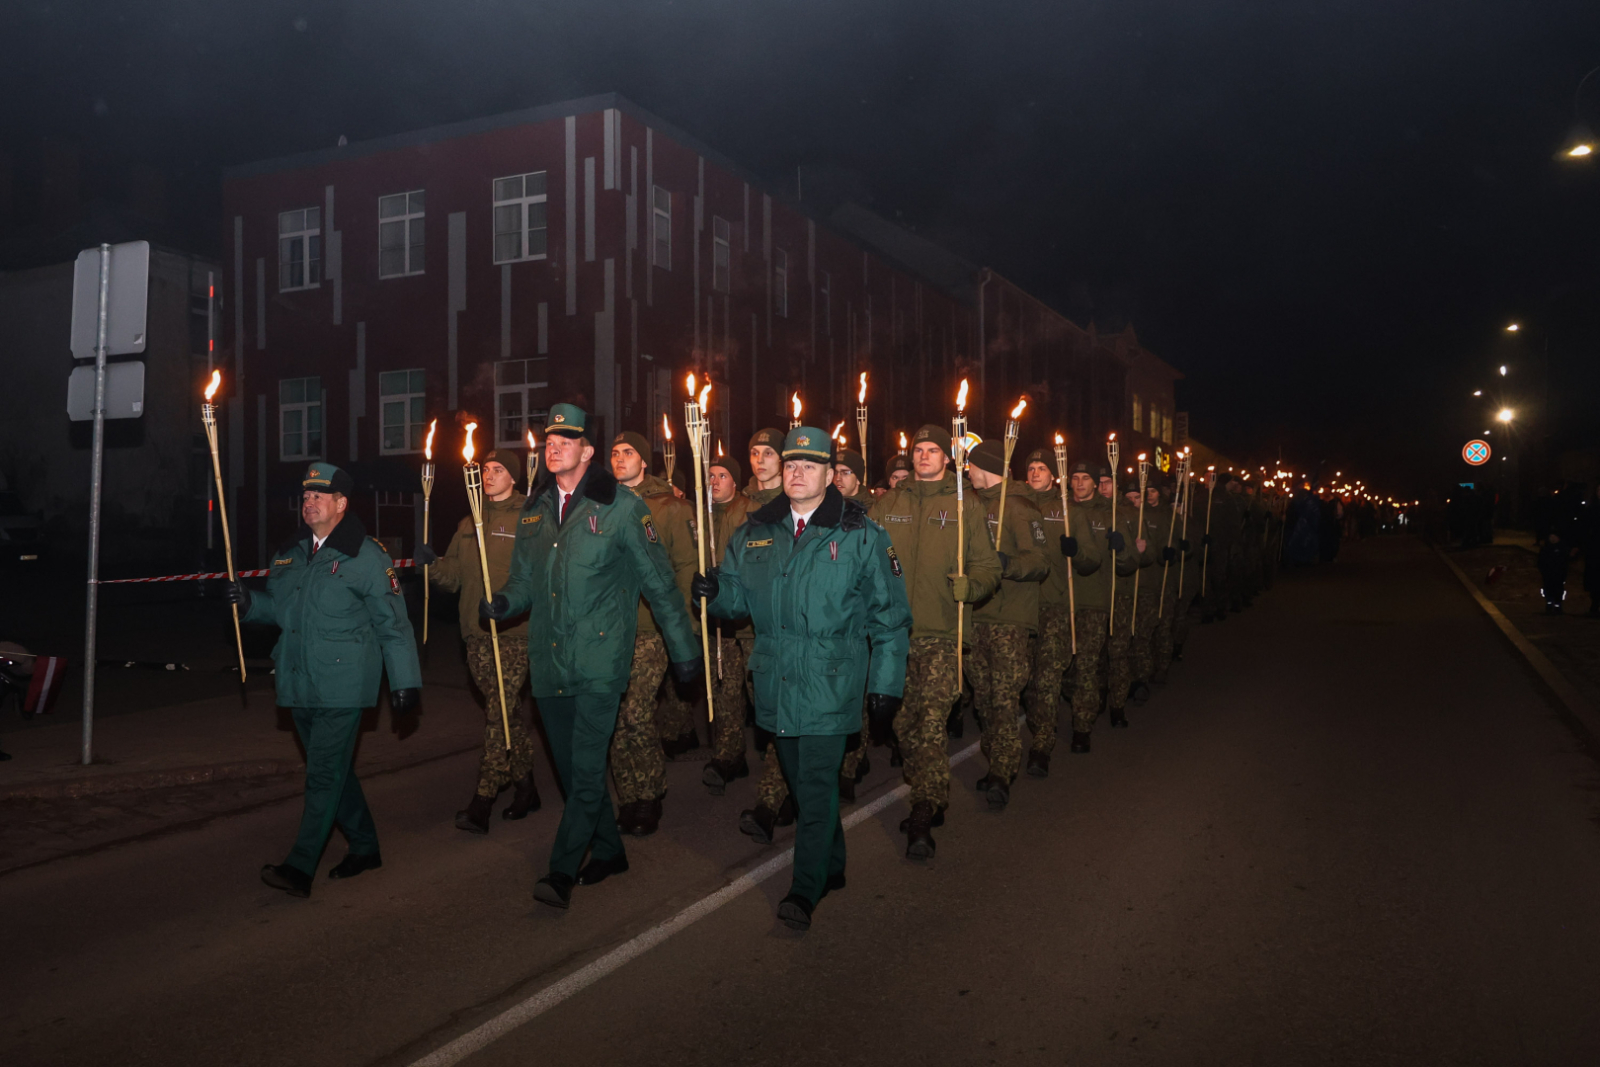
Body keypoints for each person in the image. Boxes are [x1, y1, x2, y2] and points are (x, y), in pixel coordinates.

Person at [484, 404, 701, 909]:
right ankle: (609, 849)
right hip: (549, 661)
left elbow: (660, 584)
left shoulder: (622, 508)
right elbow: (523, 581)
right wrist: (503, 602)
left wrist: (685, 650)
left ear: (586, 450)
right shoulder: (535, 509)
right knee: (572, 771)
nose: (552, 444)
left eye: (565, 437)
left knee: (584, 772)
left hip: (601, 660)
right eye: (548, 438)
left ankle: (561, 871)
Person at [694, 426, 910, 930]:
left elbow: (890, 617)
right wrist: (710, 591)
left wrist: (886, 683)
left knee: (814, 785)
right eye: (790, 464)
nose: (795, 472)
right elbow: (735, 599)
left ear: (830, 474)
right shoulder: (755, 530)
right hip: (774, 680)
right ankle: (832, 864)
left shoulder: (860, 533)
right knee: (799, 780)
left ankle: (804, 887)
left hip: (831, 682)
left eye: (808, 466)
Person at [229, 462, 422, 898]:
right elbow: (283, 613)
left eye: (319, 496)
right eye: (305, 497)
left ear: (341, 504)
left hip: (345, 682)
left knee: (321, 774)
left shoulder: (366, 555)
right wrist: (248, 604)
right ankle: (366, 846)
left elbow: (394, 623)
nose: (309, 503)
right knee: (334, 772)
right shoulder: (290, 552)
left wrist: (405, 681)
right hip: (298, 679)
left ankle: (300, 867)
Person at [868, 425, 1001, 858]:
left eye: (933, 451)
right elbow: (864, 563)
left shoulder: (966, 505)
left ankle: (924, 808)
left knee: (929, 723)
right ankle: (931, 791)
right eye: (918, 450)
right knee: (904, 725)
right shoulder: (886, 504)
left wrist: (973, 585)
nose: (924, 456)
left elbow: (987, 566)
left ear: (948, 458)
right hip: (891, 638)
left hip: (943, 633)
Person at [415, 449, 539, 834]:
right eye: (485, 469)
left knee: (497, 713)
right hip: (475, 632)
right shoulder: (470, 520)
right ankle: (526, 786)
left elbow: (538, 577)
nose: (489, 475)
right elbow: (454, 578)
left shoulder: (529, 517)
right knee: (506, 715)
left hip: (515, 632)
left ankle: (482, 800)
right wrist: (433, 565)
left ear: (514, 477)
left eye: (498, 469)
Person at [609, 431, 698, 835]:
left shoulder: (670, 507)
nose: (619, 458)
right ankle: (627, 795)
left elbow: (685, 566)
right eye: (614, 452)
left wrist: (685, 628)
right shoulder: (600, 504)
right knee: (611, 715)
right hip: (608, 630)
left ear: (644, 461)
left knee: (636, 712)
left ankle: (648, 794)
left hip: (651, 627)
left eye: (628, 453)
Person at [965, 440, 1049, 807]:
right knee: (983, 699)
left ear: (984, 467)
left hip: (1009, 619)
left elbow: (1040, 561)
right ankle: (994, 759)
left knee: (1003, 698)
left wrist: (1007, 563)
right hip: (975, 616)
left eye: (970, 466)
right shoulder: (970, 504)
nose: (967, 471)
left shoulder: (1019, 507)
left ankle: (1003, 771)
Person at [1019, 451, 1102, 775]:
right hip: (1023, 607)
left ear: (1054, 476)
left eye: (1042, 468)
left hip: (1055, 606)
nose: (1036, 472)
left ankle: (1042, 745)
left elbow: (1091, 560)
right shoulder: (1018, 506)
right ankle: (1041, 726)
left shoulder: (1069, 511)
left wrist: (1077, 550)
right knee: (1026, 681)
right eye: (1031, 468)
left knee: (1048, 678)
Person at [701, 454, 753, 792]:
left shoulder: (749, 514)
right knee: (724, 691)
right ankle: (729, 755)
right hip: (717, 623)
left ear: (736, 482)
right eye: (711, 476)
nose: (715, 481)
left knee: (756, 692)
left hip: (748, 622)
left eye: (722, 475)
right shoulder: (702, 516)